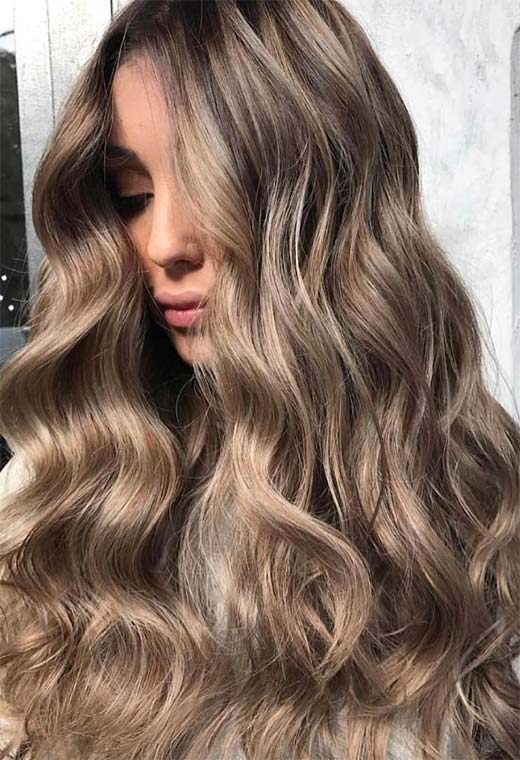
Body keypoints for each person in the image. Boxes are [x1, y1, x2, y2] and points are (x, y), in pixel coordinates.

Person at [0, 1, 518, 758]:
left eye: (214, 186)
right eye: (131, 197)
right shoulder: (68, 490)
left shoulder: (467, 494)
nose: (164, 244)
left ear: (330, 204)